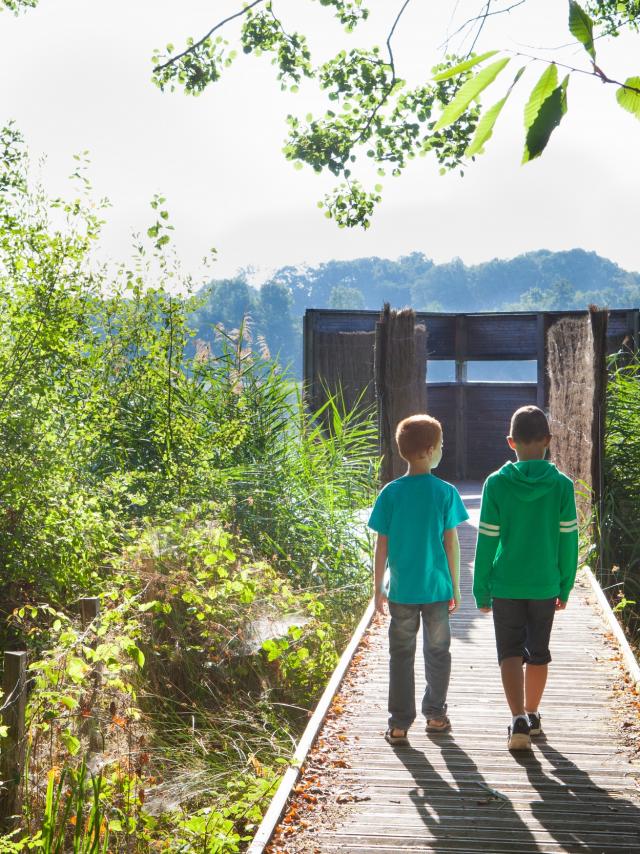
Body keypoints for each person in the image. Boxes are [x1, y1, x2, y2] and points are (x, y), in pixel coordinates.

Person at [473, 405, 579, 751]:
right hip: (545, 584)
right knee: (539, 653)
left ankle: (517, 718)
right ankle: (533, 714)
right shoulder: (562, 486)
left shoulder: (496, 484)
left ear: (510, 442)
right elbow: (569, 541)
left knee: (509, 652)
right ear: (548, 441)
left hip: (505, 584)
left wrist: (480, 587)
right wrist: (565, 583)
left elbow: (487, 540)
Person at [368, 414, 469, 745]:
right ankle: (436, 715)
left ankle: (399, 724)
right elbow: (451, 543)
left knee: (401, 655)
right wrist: (456, 585)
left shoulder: (391, 493)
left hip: (401, 592)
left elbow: (380, 545)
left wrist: (377, 589)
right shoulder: (445, 492)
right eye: (441, 446)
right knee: (438, 653)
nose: (442, 450)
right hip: (438, 590)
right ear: (429, 450)